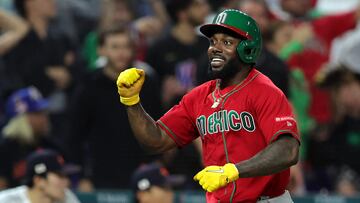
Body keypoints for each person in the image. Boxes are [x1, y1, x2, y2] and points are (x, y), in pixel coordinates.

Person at [117, 9, 300, 202]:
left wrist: (233, 171)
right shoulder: (198, 97)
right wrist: (132, 102)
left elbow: (288, 150)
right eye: (213, 41)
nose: (215, 48)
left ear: (248, 49)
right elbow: (156, 141)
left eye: (227, 42)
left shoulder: (265, 91)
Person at [66, 25, 161, 190]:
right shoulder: (89, 85)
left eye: (126, 46)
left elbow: (159, 127)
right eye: (115, 47)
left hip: (142, 173)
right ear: (102, 50)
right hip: (101, 174)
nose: (121, 53)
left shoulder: (147, 83)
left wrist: (157, 164)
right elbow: (75, 135)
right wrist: (81, 177)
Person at [0, 86, 62, 189]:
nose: (44, 117)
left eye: (44, 112)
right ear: (21, 119)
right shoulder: (4, 149)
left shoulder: (51, 146)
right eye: (37, 113)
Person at [0, 149, 80, 203]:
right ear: (38, 180)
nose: (66, 182)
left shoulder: (67, 198)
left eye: (66, 177)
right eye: (60, 176)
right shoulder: (6, 200)